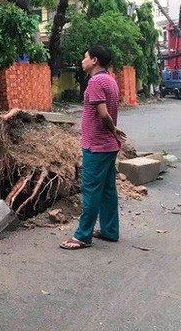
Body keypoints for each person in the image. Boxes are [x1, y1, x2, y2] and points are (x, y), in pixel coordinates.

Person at [61, 45, 127, 250]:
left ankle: (82, 236)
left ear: (95, 60)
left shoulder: (96, 82)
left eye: (85, 57)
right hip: (108, 147)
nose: (82, 61)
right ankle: (109, 230)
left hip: (97, 146)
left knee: (90, 190)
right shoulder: (110, 80)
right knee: (107, 190)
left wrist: (113, 130)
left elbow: (103, 113)